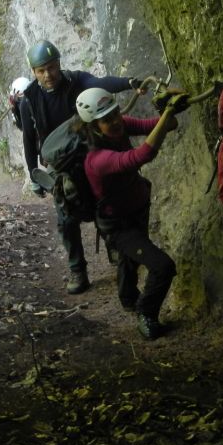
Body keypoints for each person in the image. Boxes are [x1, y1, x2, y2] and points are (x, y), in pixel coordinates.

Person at [19, 40, 143, 295]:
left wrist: (129, 83)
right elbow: (29, 140)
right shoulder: (29, 101)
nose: (48, 74)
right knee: (67, 217)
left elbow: (100, 83)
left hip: (87, 155)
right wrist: (33, 175)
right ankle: (78, 269)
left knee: (103, 203)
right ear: (33, 72)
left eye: (51, 68)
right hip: (60, 166)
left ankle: (114, 245)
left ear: (59, 64)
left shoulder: (75, 82)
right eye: (41, 70)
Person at [74, 87, 187, 340]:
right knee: (163, 266)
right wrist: (168, 111)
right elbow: (142, 155)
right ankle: (146, 313)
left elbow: (165, 125)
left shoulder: (120, 125)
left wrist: (168, 110)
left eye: (115, 113)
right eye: (106, 119)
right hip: (118, 224)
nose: (115, 121)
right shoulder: (97, 159)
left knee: (130, 257)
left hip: (136, 208)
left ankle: (128, 298)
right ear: (93, 126)